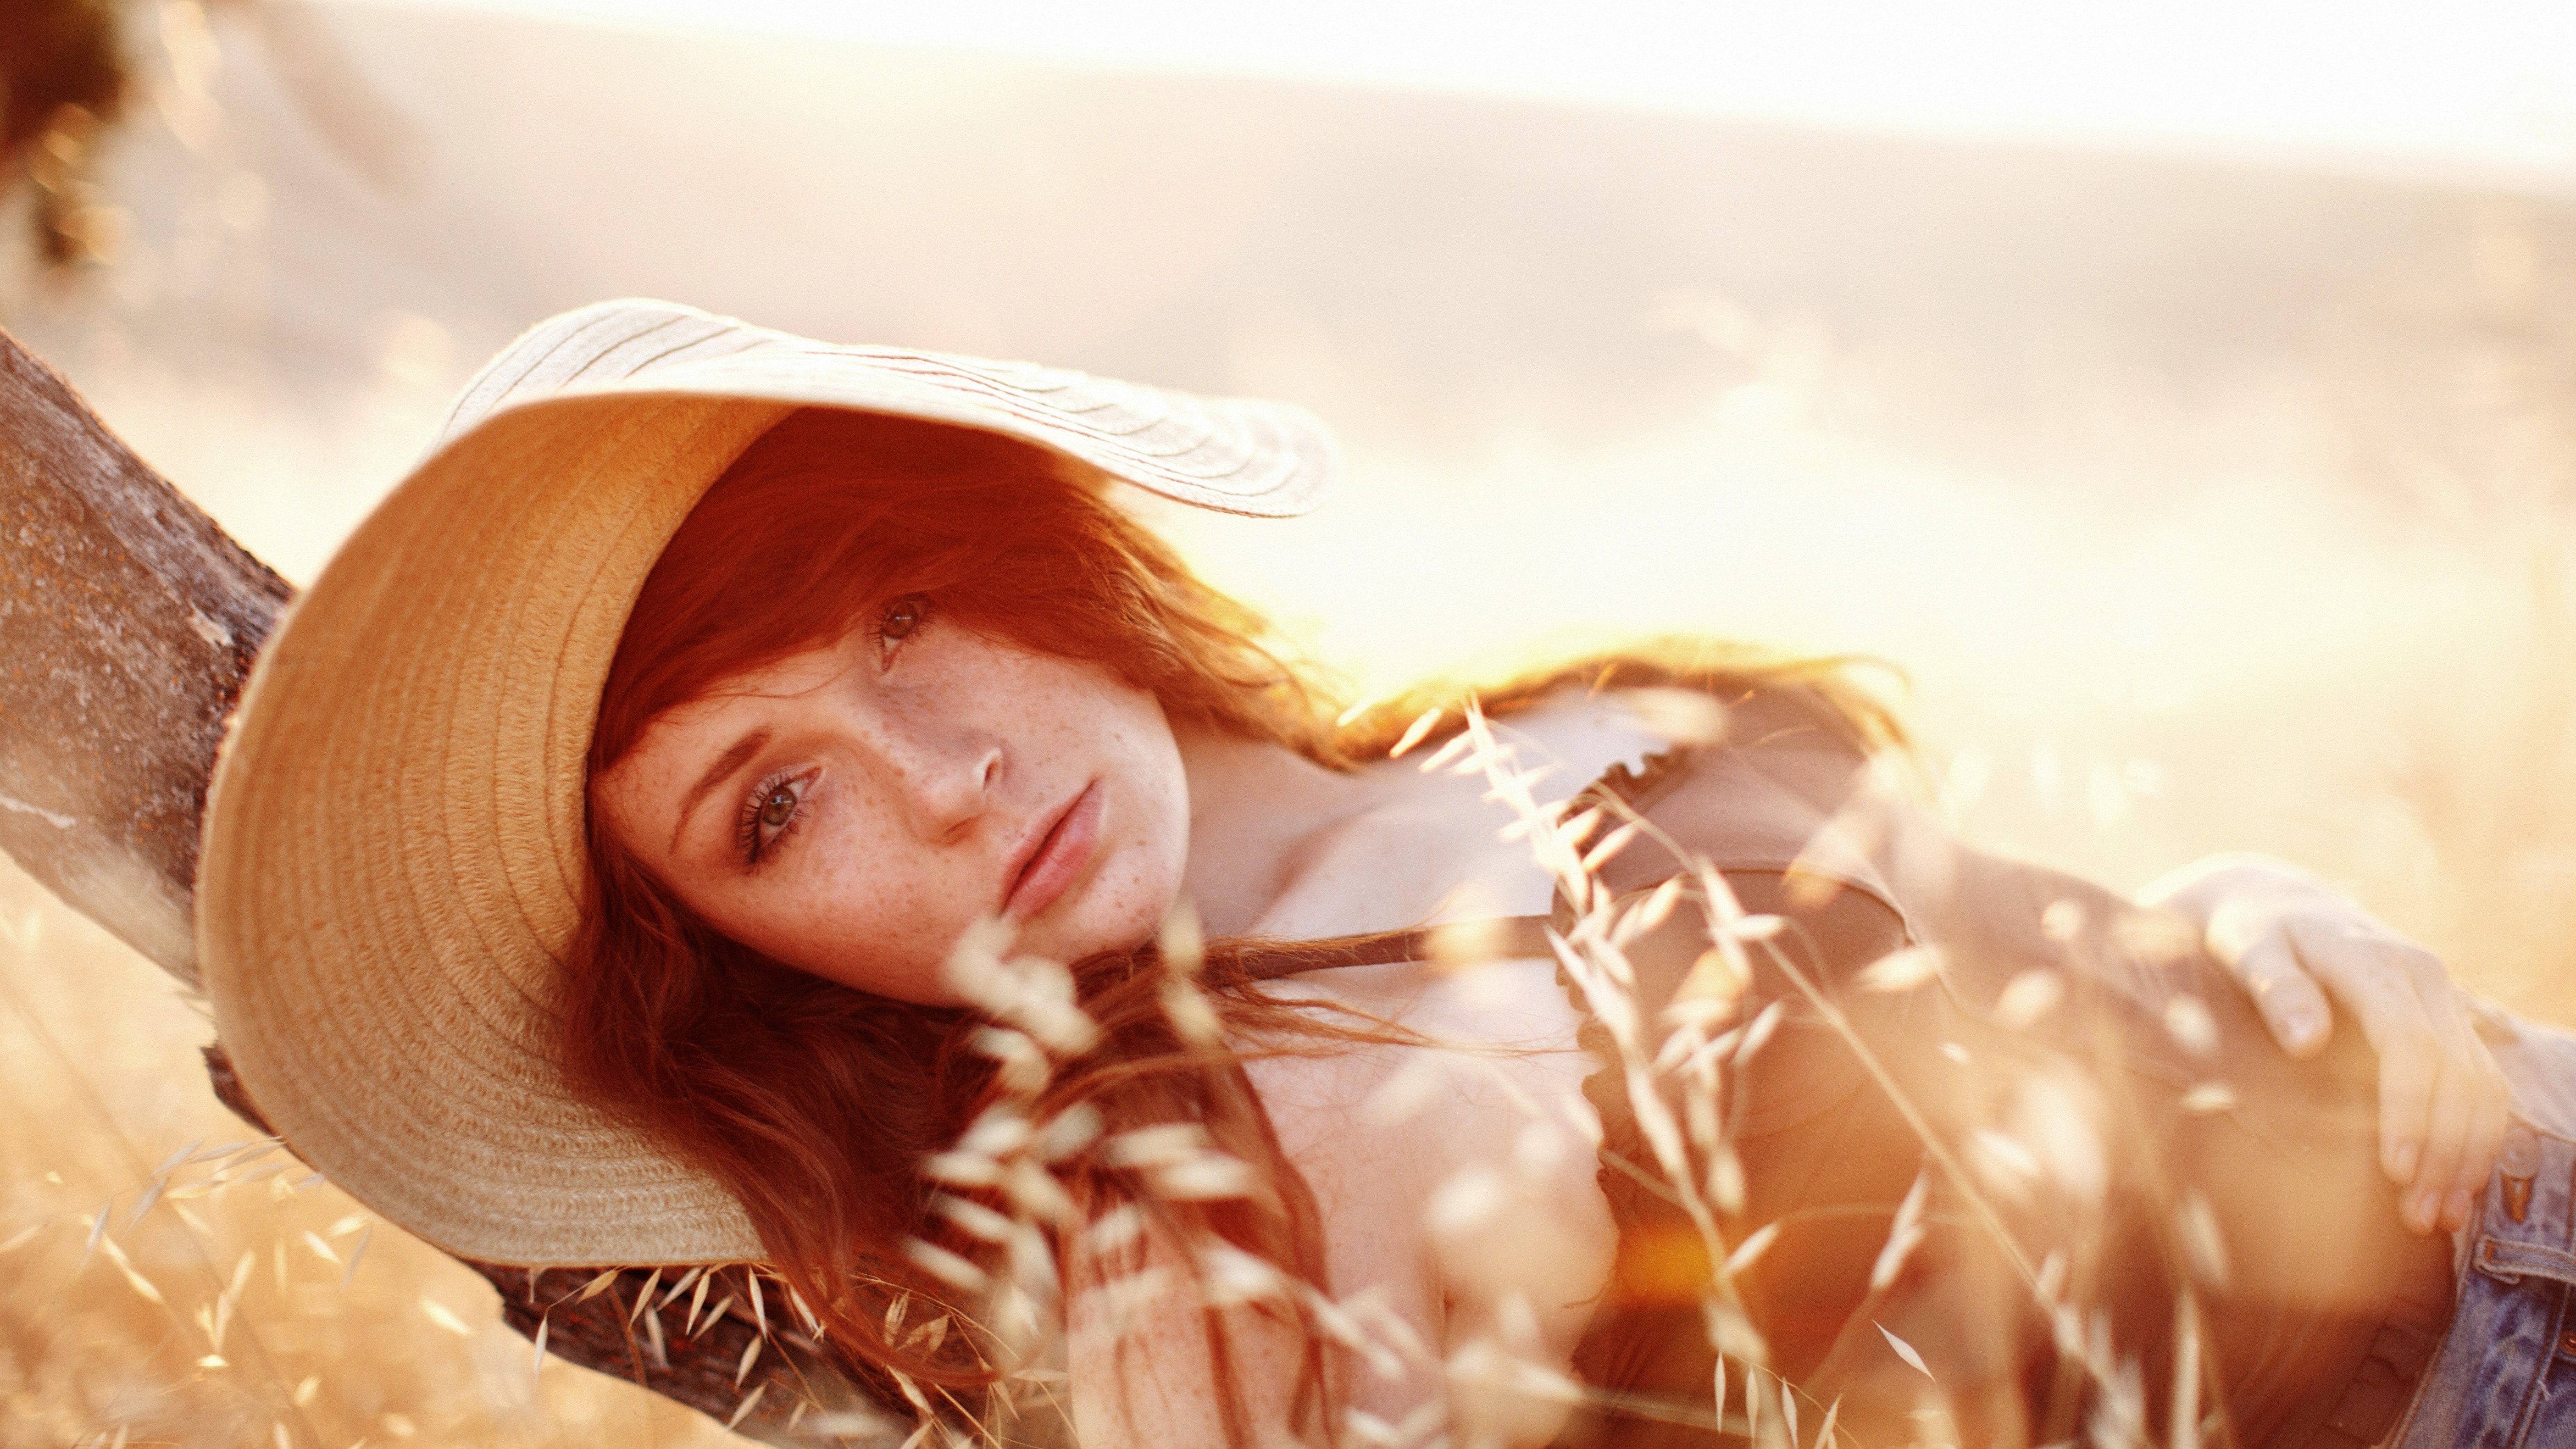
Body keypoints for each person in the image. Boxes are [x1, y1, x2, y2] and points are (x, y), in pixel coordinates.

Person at [195, 300, 2554, 1449]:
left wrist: (2251, 914)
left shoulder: (1513, 725)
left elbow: (1978, 969)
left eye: (900, 619)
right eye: (774, 808)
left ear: (1003, 547)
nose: (935, 777)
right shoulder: (1169, 1226)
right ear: (734, 955)